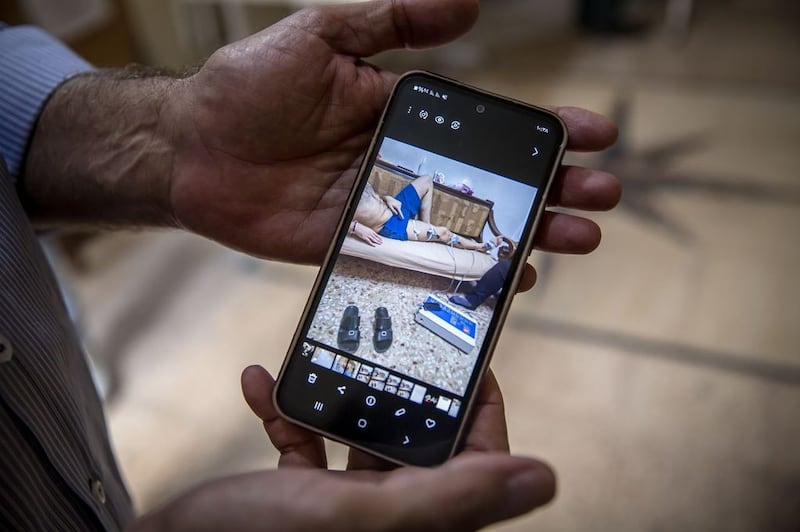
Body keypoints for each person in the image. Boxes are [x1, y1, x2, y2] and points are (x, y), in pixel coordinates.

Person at [0, 0, 622, 529]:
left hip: (95, 473)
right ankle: (459, 255)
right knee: (428, 225)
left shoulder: (393, 204)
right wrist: (363, 225)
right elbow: (371, 216)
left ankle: (474, 259)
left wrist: (173, 135)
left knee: (454, 238)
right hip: (393, 220)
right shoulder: (384, 200)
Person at [352, 175, 499, 251]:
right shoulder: (335, 193)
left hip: (393, 207)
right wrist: (354, 227)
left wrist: (387, 198)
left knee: (427, 180)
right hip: (390, 225)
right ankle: (480, 247)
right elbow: (330, 220)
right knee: (443, 233)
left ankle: (426, 225)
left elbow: (369, 198)